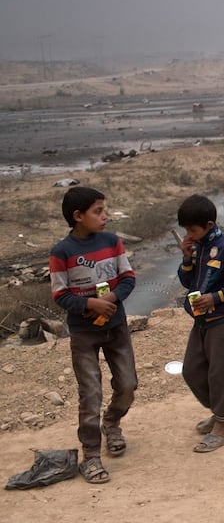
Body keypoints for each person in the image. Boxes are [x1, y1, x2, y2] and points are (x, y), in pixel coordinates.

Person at [49, 186, 137, 484]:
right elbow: (60, 294)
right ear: (78, 216)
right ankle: (91, 456)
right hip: (84, 333)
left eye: (104, 210)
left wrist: (110, 299)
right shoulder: (61, 252)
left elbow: (128, 278)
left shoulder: (113, 242)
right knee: (91, 394)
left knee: (127, 384)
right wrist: (88, 303)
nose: (105, 216)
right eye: (98, 211)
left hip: (116, 327)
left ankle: (111, 423)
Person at [176, 194, 224, 452]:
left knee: (219, 374)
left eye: (193, 229)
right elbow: (186, 282)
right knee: (191, 370)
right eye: (186, 230)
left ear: (209, 225)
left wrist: (215, 298)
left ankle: (222, 425)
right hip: (200, 321)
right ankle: (223, 412)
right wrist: (187, 259)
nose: (189, 234)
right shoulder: (196, 247)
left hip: (222, 321)